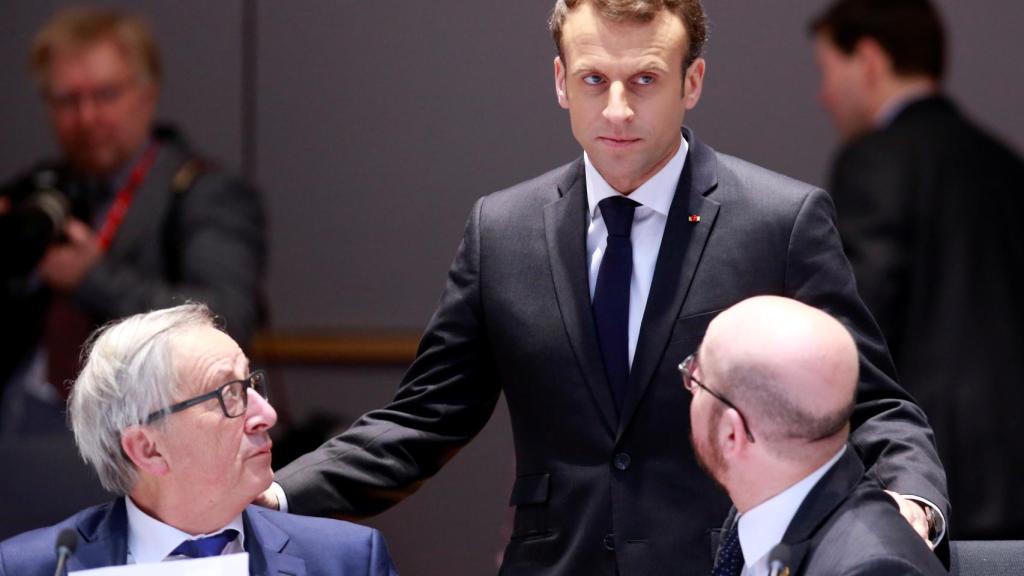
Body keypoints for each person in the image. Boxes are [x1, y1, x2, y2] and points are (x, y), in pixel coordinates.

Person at [264, 2, 948, 574]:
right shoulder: (502, 230)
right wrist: (271, 496)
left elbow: (876, 403)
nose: (617, 109)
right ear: (560, 81)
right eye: (595, 79)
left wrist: (912, 501)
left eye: (645, 79)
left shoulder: (779, 221)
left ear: (693, 81)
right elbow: (421, 420)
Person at [810, 0, 1024, 539]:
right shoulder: (1005, 163)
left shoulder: (875, 157)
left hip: (933, 465)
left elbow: (858, 321)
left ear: (869, 59)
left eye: (827, 71)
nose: (824, 93)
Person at [0, 7, 265, 436]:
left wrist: (91, 278)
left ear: (147, 94)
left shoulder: (203, 192)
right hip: (22, 431)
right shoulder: (38, 196)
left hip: (147, 441)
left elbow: (226, 319)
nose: (86, 118)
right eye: (68, 100)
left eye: (105, 95)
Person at [0, 304, 398, 576]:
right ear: (148, 448)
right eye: (229, 395)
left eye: (251, 384)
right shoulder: (33, 567)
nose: (267, 415)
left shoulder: (346, 561)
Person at [688, 296, 946, 576]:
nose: (689, 385)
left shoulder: (874, 569)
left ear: (731, 434)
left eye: (697, 381)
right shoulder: (761, 515)